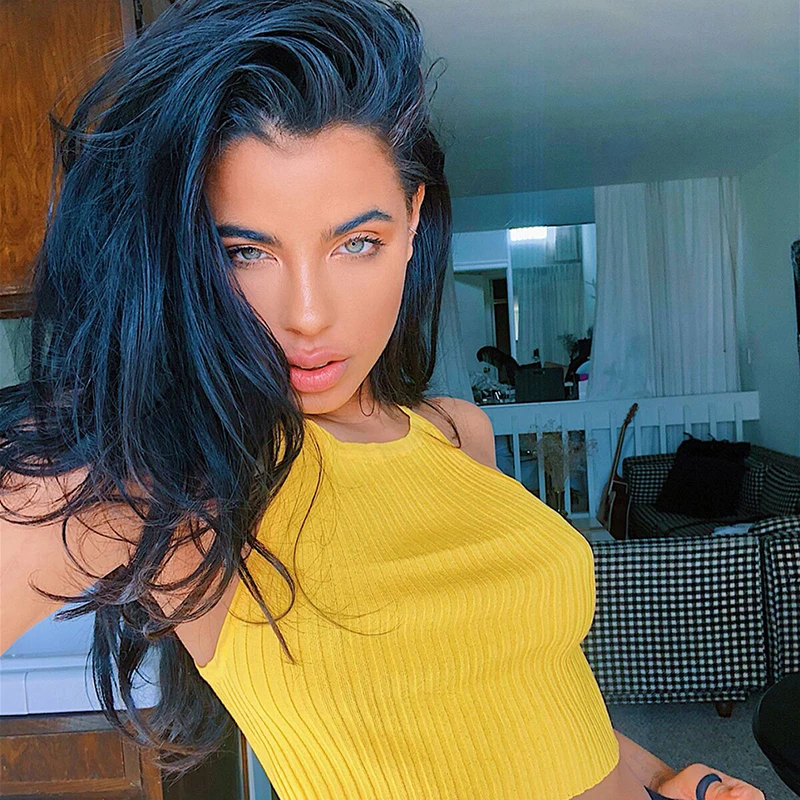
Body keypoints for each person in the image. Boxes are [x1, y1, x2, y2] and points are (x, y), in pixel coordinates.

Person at [0, 2, 765, 798]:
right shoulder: (161, 476)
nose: (307, 314)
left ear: (412, 221)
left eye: (356, 242)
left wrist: (673, 777)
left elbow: (529, 699)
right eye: (245, 252)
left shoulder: (456, 432)